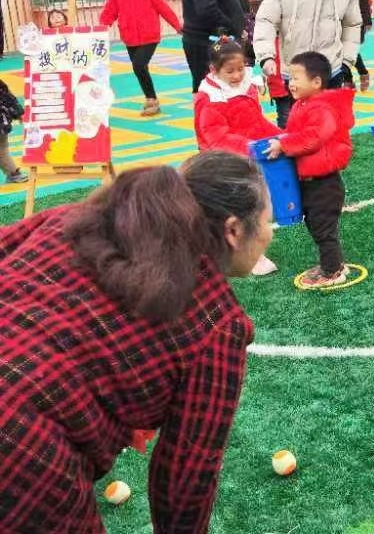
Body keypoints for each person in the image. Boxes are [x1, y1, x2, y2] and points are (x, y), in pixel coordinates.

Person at [0, 151, 272, 531]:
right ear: (233, 230)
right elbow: (185, 476)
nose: (270, 233)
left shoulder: (69, 218)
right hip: (20, 444)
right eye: (267, 221)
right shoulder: (217, 320)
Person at [265, 51, 354, 288]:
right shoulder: (303, 104)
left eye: (296, 78)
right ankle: (332, 263)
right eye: (290, 78)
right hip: (310, 180)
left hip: (324, 182)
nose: (290, 83)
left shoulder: (322, 108)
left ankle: (333, 270)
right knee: (315, 224)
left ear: (316, 82)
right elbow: (296, 132)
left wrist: (284, 144)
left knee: (323, 227)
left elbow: (314, 137)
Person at [194, 37, 281, 276]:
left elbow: (256, 122)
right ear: (214, 70)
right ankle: (252, 257)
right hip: (222, 164)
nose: (237, 75)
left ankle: (238, 251)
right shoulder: (210, 97)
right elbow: (214, 136)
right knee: (238, 211)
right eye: (229, 71)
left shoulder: (248, 87)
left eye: (240, 69)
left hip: (247, 157)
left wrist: (281, 136)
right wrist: (250, 146)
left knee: (248, 207)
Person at [253, 0, 362, 116]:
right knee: (296, 131)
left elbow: (352, 25)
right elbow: (265, 21)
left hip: (331, 72)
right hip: (296, 75)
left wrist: (346, 62)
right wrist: (266, 56)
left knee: (331, 130)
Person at [100, 0, 182, 117]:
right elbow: (109, 11)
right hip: (129, 37)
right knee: (140, 69)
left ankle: (151, 99)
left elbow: (162, 7)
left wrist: (177, 26)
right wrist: (98, 30)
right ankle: (151, 99)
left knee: (138, 65)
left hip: (149, 35)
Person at [331, 0, 372, 92]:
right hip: (334, 18)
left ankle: (362, 73)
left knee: (349, 48)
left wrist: (366, 19)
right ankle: (348, 80)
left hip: (352, 16)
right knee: (338, 49)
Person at [0, 78, 27, 183]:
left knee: (2, 150)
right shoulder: (2, 86)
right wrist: (19, 114)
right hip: (3, 124)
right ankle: (13, 173)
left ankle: (14, 174)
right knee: (3, 150)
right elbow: (10, 99)